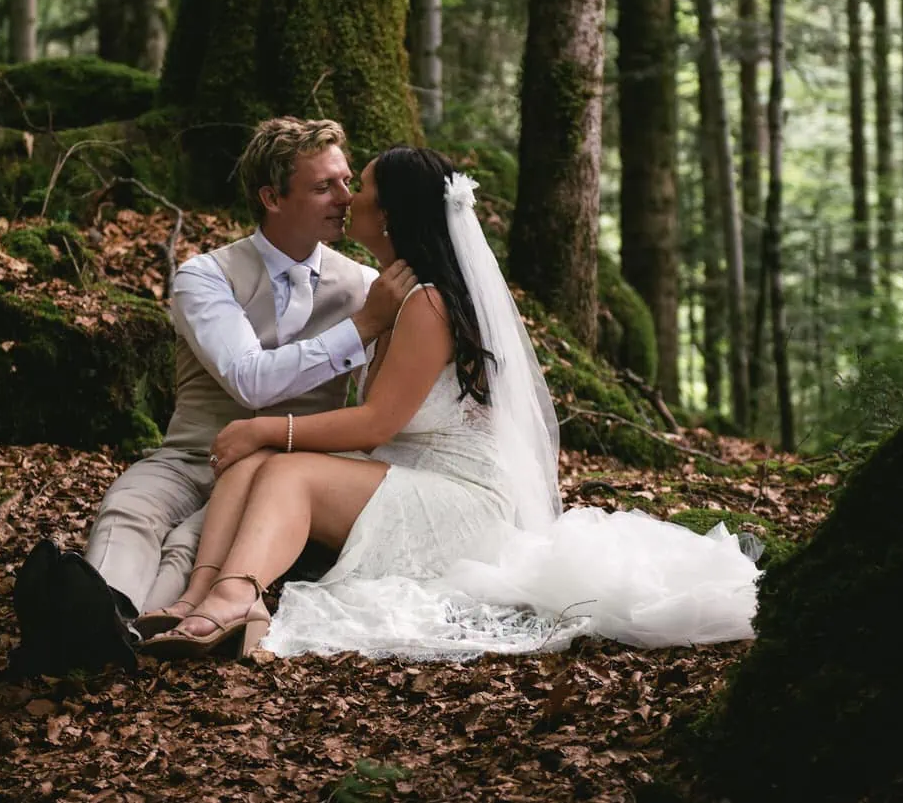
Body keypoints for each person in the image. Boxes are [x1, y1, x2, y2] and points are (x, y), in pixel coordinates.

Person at [136, 146, 762, 662]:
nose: (349, 198)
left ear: (390, 216)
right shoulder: (392, 295)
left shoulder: (429, 302)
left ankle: (238, 598)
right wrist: (263, 438)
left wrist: (268, 428)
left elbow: (378, 422)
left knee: (284, 468)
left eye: (362, 189)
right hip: (411, 477)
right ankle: (196, 597)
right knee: (255, 463)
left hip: (460, 500)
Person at [44, 118, 418, 665]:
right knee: (128, 507)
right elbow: (250, 381)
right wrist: (361, 328)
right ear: (272, 197)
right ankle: (99, 611)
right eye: (324, 186)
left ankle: (120, 630)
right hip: (190, 455)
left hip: (277, 472)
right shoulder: (205, 276)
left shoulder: (365, 287)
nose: (346, 198)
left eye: (346, 181)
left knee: (189, 544)